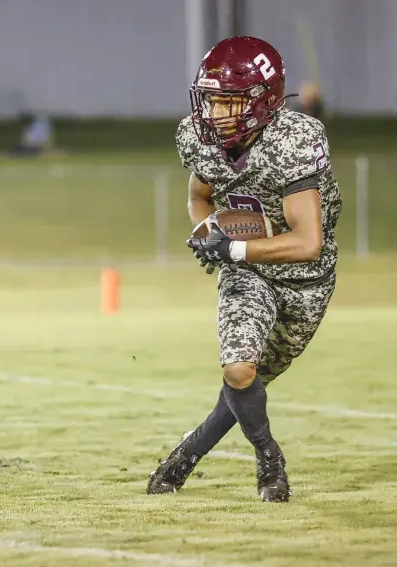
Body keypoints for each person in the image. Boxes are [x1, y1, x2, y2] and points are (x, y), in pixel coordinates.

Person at [147, 37, 342, 503]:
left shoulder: (294, 140)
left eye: (229, 101)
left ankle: (186, 453)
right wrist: (208, 231)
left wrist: (233, 248)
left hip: (305, 281)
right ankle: (269, 459)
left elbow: (308, 243)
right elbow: (199, 197)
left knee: (251, 382)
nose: (215, 113)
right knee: (238, 370)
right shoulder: (199, 139)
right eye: (211, 99)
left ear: (263, 99)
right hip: (247, 270)